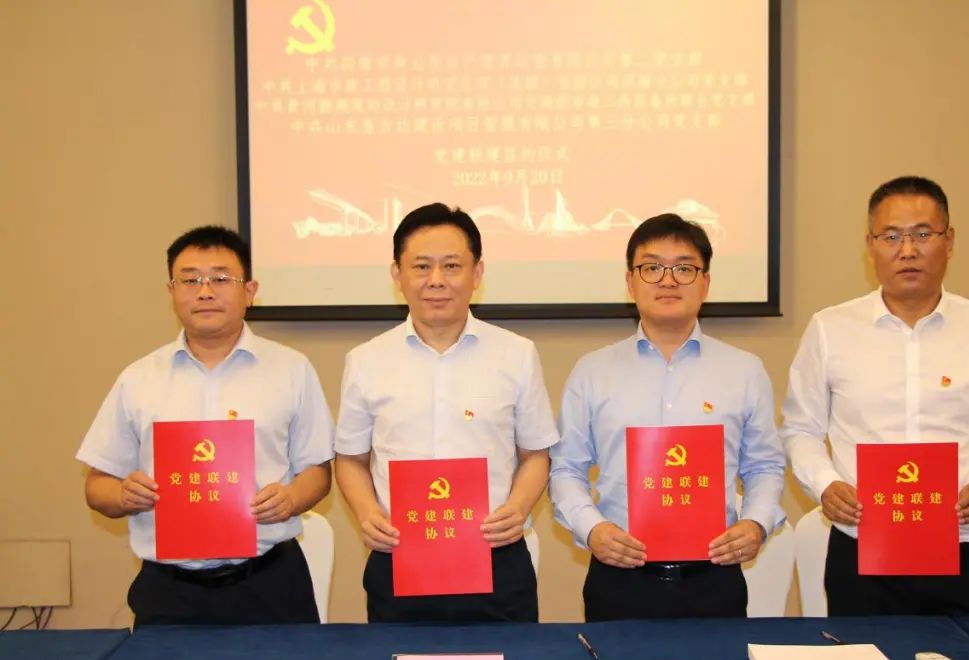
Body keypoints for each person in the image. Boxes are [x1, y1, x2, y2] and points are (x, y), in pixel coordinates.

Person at [781, 176, 969, 615]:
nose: (907, 250)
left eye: (923, 234)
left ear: (950, 241)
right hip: (864, 549)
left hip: (965, 546)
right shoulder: (830, 329)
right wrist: (825, 484)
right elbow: (800, 428)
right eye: (891, 237)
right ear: (870, 246)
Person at [79, 226, 334, 627]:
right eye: (190, 280)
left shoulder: (291, 370)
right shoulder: (139, 378)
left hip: (269, 583)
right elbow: (97, 486)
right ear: (171, 291)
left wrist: (291, 498)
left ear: (250, 291)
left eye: (220, 278)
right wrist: (124, 494)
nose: (205, 291)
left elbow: (318, 471)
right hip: (170, 591)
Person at [548, 213, 786, 621]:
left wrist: (756, 524)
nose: (668, 280)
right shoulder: (592, 372)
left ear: (706, 283)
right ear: (630, 281)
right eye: (652, 268)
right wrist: (592, 529)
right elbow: (566, 468)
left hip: (715, 577)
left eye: (684, 268)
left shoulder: (744, 370)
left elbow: (764, 465)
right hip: (619, 576)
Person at [334, 203, 558, 622]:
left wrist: (518, 507)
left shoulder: (516, 355)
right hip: (399, 558)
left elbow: (536, 454)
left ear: (477, 273)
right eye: (421, 266)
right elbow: (350, 459)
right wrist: (367, 513)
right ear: (397, 275)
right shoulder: (365, 361)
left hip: (495, 560)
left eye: (451, 266)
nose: (436, 280)